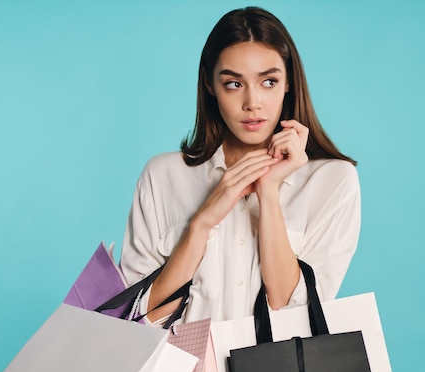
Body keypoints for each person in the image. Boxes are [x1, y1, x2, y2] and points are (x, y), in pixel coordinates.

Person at [120, 6, 360, 325]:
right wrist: (201, 223)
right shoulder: (162, 175)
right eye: (234, 84)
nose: (252, 103)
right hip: (182, 371)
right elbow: (138, 316)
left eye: (268, 82)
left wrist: (269, 193)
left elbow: (294, 313)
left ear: (289, 81)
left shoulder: (332, 181)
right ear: (209, 84)